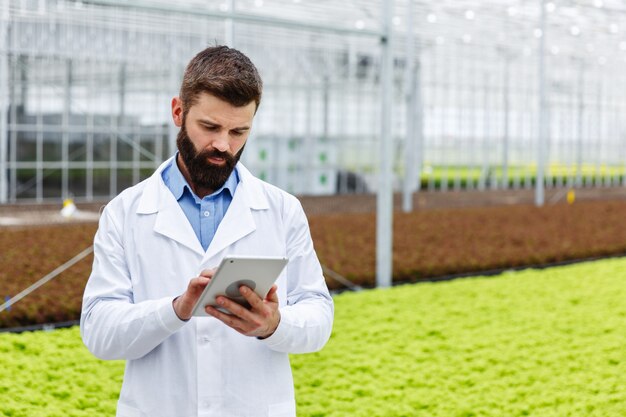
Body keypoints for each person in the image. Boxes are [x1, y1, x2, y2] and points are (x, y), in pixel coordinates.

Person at [80, 46, 334, 417]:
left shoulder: (282, 210)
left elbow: (319, 316)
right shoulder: (125, 213)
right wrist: (175, 310)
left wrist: (274, 323)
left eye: (239, 131)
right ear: (178, 112)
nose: (223, 145)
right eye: (210, 127)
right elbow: (99, 331)